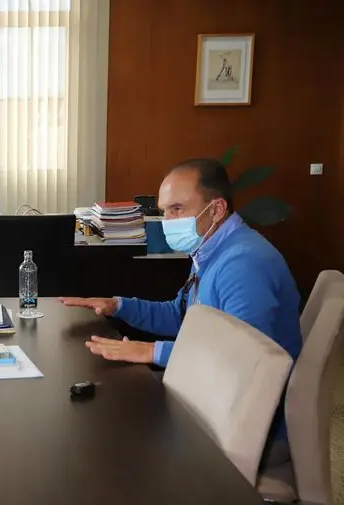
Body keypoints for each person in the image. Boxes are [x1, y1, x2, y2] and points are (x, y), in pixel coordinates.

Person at [59, 158, 302, 463]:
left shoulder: (244, 264)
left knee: (113, 436)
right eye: (164, 211)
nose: (168, 221)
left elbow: (243, 362)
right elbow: (180, 316)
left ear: (216, 209)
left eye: (177, 209)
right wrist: (118, 305)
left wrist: (151, 352)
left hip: (247, 425)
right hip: (217, 398)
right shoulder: (211, 249)